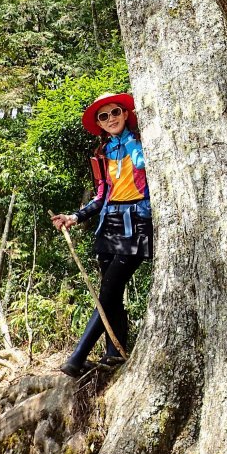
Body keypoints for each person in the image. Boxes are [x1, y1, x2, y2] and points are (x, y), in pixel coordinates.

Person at [51, 92, 152, 378]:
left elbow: (143, 167)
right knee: (112, 293)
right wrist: (75, 217)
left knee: (108, 289)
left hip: (137, 223)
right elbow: (101, 196)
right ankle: (113, 354)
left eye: (115, 112)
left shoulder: (143, 141)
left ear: (126, 114)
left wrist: (130, 140)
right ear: (99, 123)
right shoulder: (102, 154)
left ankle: (77, 357)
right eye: (104, 116)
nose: (111, 119)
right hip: (109, 225)